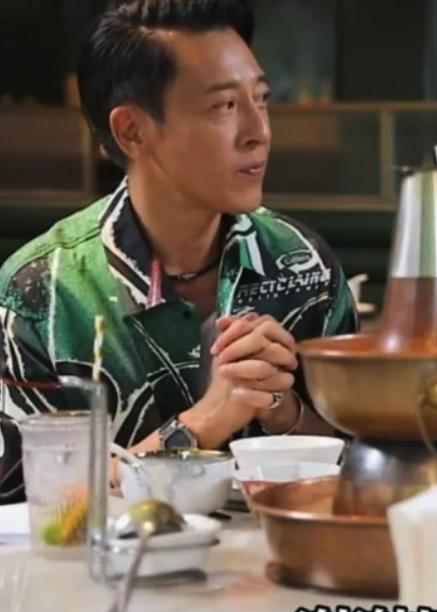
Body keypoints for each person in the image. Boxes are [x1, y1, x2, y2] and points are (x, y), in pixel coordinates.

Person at [0, 0, 357, 502]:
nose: (259, 132)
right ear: (132, 131)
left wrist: (281, 408)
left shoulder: (303, 265)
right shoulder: (42, 292)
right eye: (224, 106)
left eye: (261, 99)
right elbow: (28, 506)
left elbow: (366, 463)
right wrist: (202, 424)